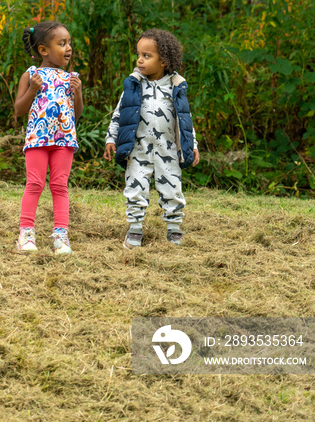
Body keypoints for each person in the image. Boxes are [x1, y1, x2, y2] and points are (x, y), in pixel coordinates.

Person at [104, 28, 199, 249]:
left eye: (147, 56)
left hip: (168, 150)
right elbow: (120, 113)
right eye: (138, 54)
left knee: (172, 188)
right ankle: (135, 228)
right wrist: (111, 139)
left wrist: (191, 144)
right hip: (138, 149)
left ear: (164, 61)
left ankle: (174, 228)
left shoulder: (176, 87)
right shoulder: (133, 86)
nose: (139, 60)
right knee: (135, 188)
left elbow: (185, 120)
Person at [14, 21, 83, 254]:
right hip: (37, 140)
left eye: (69, 43)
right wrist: (33, 89)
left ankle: (61, 236)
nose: (69, 48)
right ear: (43, 50)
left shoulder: (70, 78)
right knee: (34, 183)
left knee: (59, 185)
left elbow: (76, 114)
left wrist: (78, 93)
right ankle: (26, 234)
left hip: (64, 140)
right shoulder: (31, 75)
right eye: (62, 43)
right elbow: (19, 110)